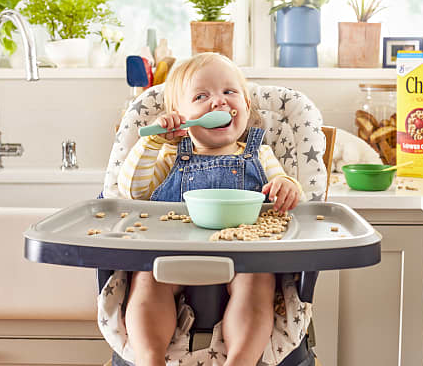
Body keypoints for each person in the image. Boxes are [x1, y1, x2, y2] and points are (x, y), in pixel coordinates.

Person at [116, 52, 303, 366]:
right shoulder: (169, 155)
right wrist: (150, 143)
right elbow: (132, 192)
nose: (219, 102)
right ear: (180, 115)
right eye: (201, 96)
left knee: (258, 283)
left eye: (230, 93)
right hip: (170, 251)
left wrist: (288, 186)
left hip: (244, 252)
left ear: (245, 105)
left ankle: (241, 360)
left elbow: (282, 183)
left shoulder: (259, 153)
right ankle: (149, 358)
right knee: (147, 281)